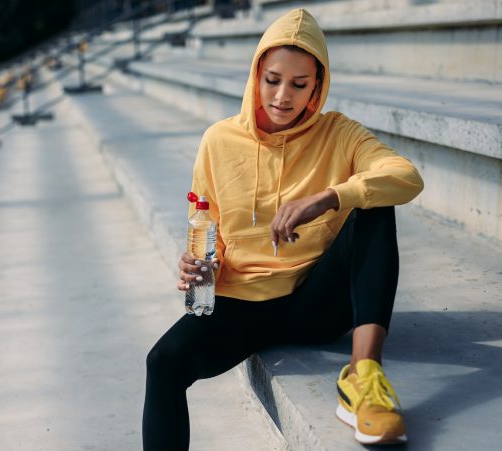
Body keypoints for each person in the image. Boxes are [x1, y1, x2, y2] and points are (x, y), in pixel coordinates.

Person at [142, 7, 425, 450]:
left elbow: (406, 176)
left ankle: (363, 377)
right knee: (162, 362)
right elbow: (205, 227)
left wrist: (330, 196)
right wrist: (198, 267)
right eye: (272, 79)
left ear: (317, 87)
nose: (282, 96)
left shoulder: (339, 133)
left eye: (299, 84)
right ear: (255, 75)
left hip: (316, 302)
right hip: (240, 305)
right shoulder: (218, 141)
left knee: (373, 204)